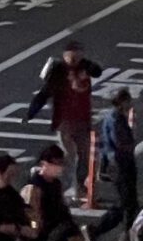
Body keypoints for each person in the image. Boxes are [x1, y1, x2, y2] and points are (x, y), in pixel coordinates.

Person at [30, 39, 103, 206]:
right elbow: (45, 92)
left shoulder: (85, 67)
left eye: (78, 53)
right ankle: (53, 182)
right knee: (70, 156)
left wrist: (86, 64)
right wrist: (32, 110)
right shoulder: (57, 70)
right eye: (72, 53)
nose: (75, 57)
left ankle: (80, 188)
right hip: (64, 121)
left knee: (84, 156)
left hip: (82, 119)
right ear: (65, 55)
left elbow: (97, 71)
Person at [95, 89, 140, 241]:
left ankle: (126, 237)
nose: (130, 103)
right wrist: (130, 139)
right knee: (126, 205)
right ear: (121, 101)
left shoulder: (115, 117)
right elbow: (120, 143)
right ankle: (124, 238)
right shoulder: (115, 119)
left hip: (120, 164)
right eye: (128, 100)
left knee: (130, 204)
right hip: (120, 165)